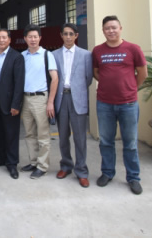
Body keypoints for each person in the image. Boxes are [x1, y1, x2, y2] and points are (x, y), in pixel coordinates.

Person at [92, 15, 147, 195]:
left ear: (120, 28)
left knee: (130, 143)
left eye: (114, 27)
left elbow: (143, 73)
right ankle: (107, 173)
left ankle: (133, 177)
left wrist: (131, 88)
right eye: (107, 28)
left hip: (128, 104)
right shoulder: (98, 51)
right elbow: (96, 72)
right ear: (103, 31)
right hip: (104, 104)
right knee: (106, 141)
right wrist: (108, 84)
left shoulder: (133, 49)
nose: (111, 31)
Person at [52, 23, 93, 188]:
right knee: (63, 136)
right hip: (61, 99)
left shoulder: (86, 55)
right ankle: (66, 166)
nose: (68, 37)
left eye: (71, 34)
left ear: (76, 36)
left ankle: (81, 171)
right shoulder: (54, 55)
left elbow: (88, 78)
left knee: (80, 137)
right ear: (61, 35)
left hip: (78, 99)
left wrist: (77, 90)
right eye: (65, 34)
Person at [21, 24, 59, 179]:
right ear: (25, 39)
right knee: (29, 133)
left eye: (35, 37)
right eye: (30, 37)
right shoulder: (22, 56)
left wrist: (50, 102)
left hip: (41, 98)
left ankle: (42, 166)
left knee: (43, 135)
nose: (33, 39)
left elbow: (55, 79)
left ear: (40, 38)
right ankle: (33, 161)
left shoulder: (47, 55)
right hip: (25, 98)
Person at [0, 28, 25, 180]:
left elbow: (19, 82)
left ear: (9, 40)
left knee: (11, 133)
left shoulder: (16, 57)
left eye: (4, 37)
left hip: (10, 101)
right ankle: (2, 157)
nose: (1, 40)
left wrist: (16, 104)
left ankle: (12, 163)